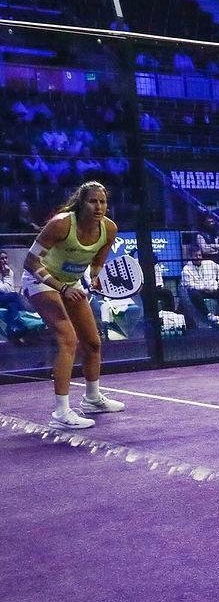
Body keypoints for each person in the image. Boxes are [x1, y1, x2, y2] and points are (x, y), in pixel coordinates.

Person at [20, 182, 125, 429]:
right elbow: (30, 262)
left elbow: (98, 259)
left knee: (92, 342)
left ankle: (91, 399)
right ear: (81, 203)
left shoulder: (109, 229)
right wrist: (62, 288)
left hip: (71, 283)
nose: (99, 207)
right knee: (68, 338)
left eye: (103, 202)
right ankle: (61, 413)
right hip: (39, 281)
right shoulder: (61, 223)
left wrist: (95, 278)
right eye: (93, 201)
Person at [180, 245, 219, 327]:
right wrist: (204, 288)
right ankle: (209, 315)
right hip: (200, 291)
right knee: (193, 293)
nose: (198, 257)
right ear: (191, 257)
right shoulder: (186, 269)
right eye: (196, 256)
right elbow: (189, 285)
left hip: (213, 288)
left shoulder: (209, 263)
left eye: (199, 255)